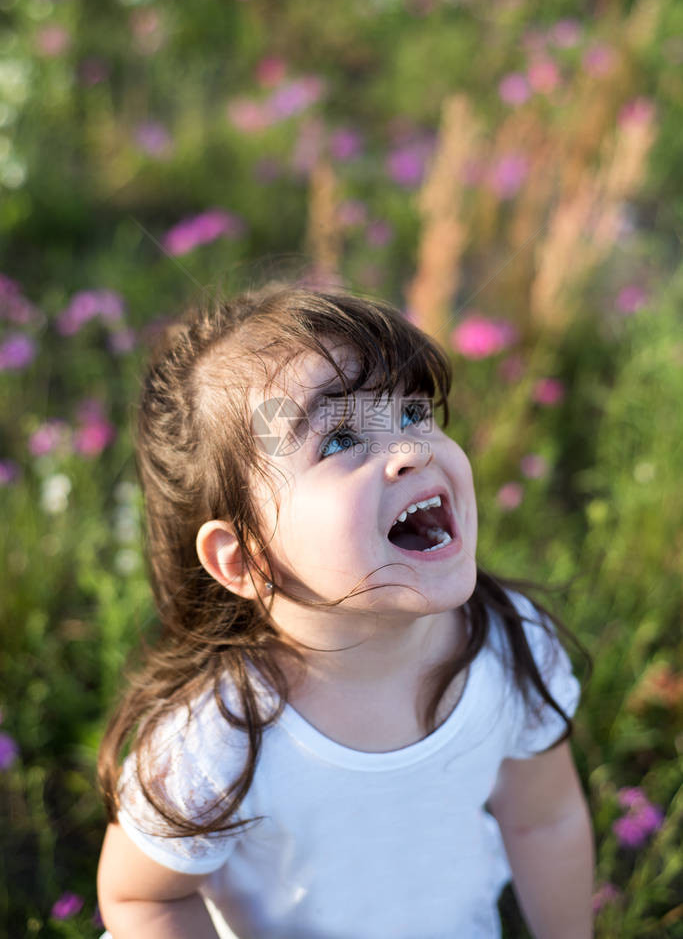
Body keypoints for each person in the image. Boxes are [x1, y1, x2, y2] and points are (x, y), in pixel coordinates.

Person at [96, 282, 594, 938]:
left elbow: (543, 816)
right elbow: (142, 898)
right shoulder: (218, 737)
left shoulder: (507, 644)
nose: (411, 449)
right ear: (245, 560)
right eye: (337, 440)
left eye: (414, 412)